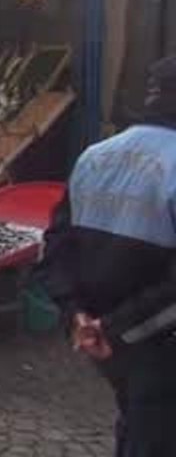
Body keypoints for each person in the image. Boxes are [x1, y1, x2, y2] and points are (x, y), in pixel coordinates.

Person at [35, 56, 176, 457]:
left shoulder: (94, 156)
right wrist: (113, 327)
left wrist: (78, 317)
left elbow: (55, 248)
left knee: (135, 421)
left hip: (105, 343)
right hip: (155, 344)